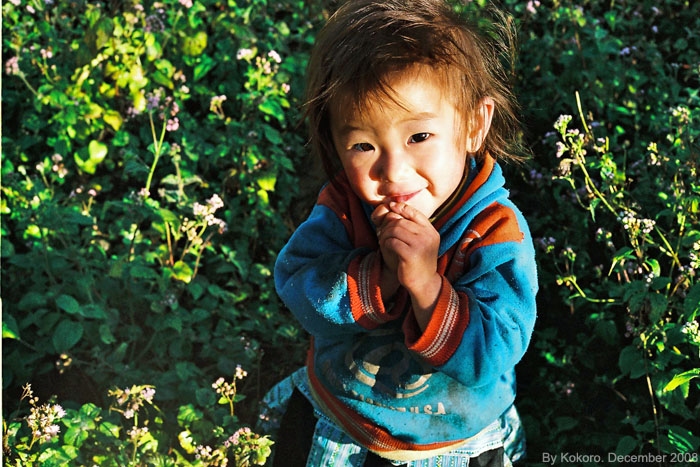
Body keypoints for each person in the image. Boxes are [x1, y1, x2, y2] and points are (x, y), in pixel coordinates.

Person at [259, 0, 538, 465]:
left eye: (418, 137)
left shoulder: (493, 231)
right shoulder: (345, 208)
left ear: (474, 124)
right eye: (363, 145)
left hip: (454, 436)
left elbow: (494, 351)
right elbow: (298, 284)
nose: (393, 170)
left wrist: (427, 286)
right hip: (345, 415)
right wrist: (380, 278)